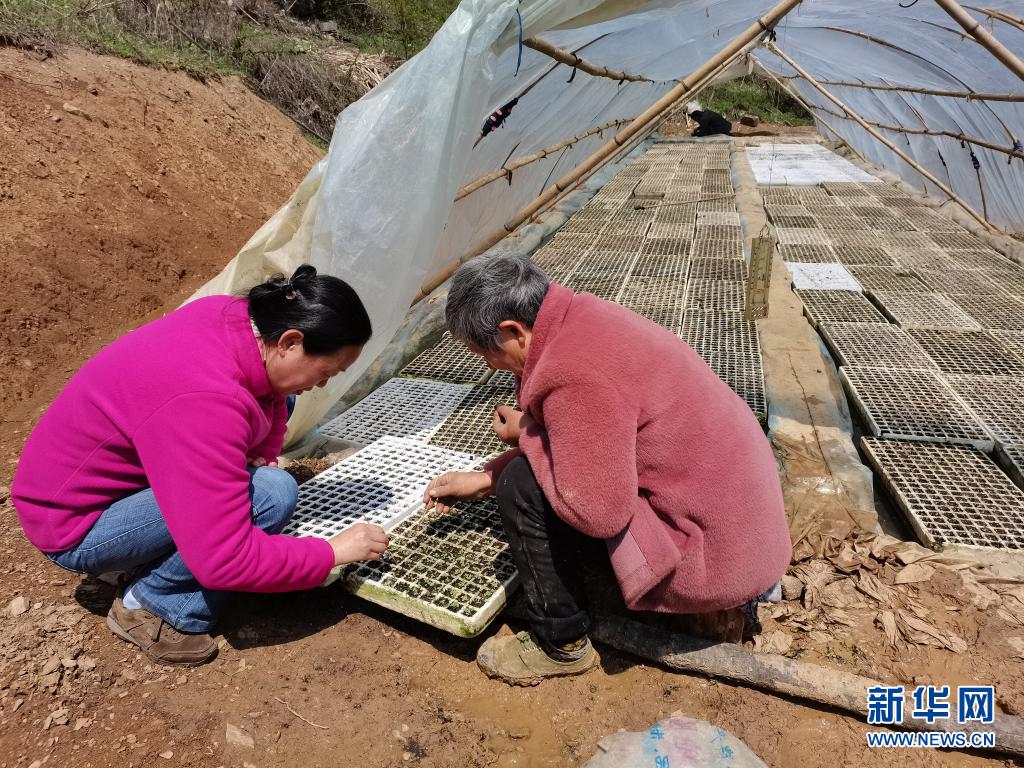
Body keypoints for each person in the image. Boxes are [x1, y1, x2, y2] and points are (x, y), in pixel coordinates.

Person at [423, 254, 791, 685]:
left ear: (512, 332)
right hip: (744, 525)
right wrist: (486, 475)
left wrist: (520, 441)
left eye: (485, 353)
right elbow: (578, 437)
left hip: (715, 554)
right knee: (517, 476)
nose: (489, 365)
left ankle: (561, 645)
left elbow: (599, 513)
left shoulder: (572, 371)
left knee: (521, 486)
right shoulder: (584, 317)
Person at [12, 265, 390, 667]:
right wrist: (329, 553)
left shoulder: (237, 319)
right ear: (291, 341)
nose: (323, 385)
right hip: (75, 525)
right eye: (326, 372)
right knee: (270, 494)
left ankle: (152, 557)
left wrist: (263, 448)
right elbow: (224, 560)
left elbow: (275, 397)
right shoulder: (204, 400)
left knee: (284, 395)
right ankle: (154, 605)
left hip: (95, 486)